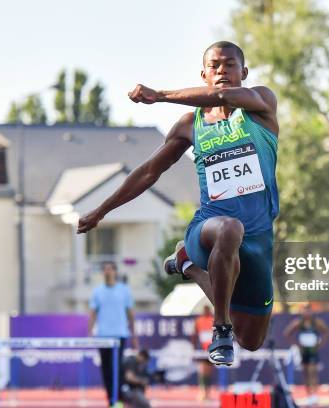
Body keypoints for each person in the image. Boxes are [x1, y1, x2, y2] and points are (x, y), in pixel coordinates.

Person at [78, 41, 279, 366]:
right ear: (203, 74)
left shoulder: (261, 105)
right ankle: (220, 328)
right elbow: (148, 172)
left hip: (257, 238)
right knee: (229, 227)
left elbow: (222, 97)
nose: (222, 72)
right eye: (214, 66)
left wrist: (159, 95)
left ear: (244, 72)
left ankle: (186, 263)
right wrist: (102, 210)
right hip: (209, 228)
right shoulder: (191, 125)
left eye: (229, 65)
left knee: (252, 340)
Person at [88, 261, 138, 407]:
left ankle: (119, 400)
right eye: (104, 270)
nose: (107, 272)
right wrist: (90, 331)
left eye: (110, 269)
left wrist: (134, 336)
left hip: (119, 335)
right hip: (103, 336)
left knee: (117, 369)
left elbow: (130, 314)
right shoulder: (97, 291)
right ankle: (111, 400)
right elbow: (92, 313)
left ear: (115, 272)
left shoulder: (124, 290)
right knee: (106, 370)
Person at [283, 304, 329, 399]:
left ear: (311, 312)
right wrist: (296, 343)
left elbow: (326, 331)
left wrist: (321, 343)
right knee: (305, 372)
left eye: (308, 310)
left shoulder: (316, 322)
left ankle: (314, 394)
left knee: (312, 371)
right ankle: (309, 394)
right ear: (302, 311)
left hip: (312, 349)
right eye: (304, 310)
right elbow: (287, 333)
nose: (306, 313)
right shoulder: (299, 323)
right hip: (303, 350)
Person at [192, 304, 215, 400]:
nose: (206, 311)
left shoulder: (213, 319)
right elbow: (194, 334)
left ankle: (208, 393)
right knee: (202, 371)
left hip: (211, 349)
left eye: (208, 310)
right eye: (204, 310)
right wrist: (194, 348)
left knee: (209, 372)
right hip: (201, 350)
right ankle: (202, 392)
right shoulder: (198, 320)